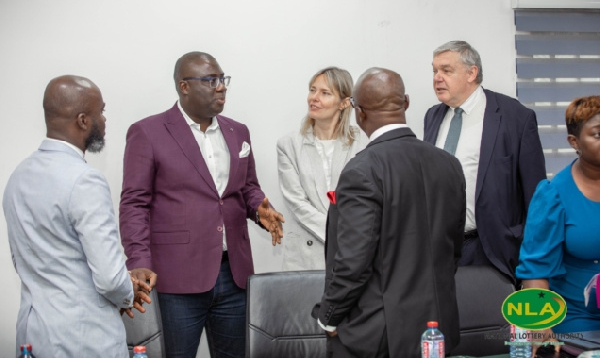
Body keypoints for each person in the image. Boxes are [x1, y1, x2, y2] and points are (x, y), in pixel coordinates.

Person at [119, 51, 285, 358]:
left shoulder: (238, 131)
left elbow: (246, 188)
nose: (221, 87)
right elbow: (134, 204)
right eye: (211, 80)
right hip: (177, 278)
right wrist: (138, 260)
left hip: (233, 275)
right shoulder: (148, 132)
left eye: (222, 80)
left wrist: (259, 207)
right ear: (184, 86)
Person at [314, 68, 466, 357]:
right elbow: (453, 250)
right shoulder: (449, 164)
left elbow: (352, 262)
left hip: (380, 334)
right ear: (405, 102)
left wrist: (329, 316)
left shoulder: (362, 170)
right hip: (438, 329)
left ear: (359, 113)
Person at [3, 75, 154, 358]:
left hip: (32, 335)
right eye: (102, 111)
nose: (105, 119)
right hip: (83, 339)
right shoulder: (85, 181)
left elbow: (23, 260)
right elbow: (109, 278)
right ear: (83, 121)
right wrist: (128, 290)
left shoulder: (18, 177)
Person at [423, 40, 546, 284]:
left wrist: (529, 256)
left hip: (492, 249)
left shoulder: (515, 117)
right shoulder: (433, 116)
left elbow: (536, 195)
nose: (437, 78)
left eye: (446, 71)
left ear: (472, 73)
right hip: (439, 248)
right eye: (434, 71)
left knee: (492, 320)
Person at [517, 96, 600, 339]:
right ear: (575, 141)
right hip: (578, 320)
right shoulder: (554, 195)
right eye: (598, 134)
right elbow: (535, 272)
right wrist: (541, 329)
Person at [277, 67, 367, 270]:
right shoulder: (288, 144)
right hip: (305, 256)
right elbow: (297, 203)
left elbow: (364, 198)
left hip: (352, 253)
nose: (314, 98)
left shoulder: (362, 142)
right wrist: (339, 233)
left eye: (325, 93)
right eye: (312, 90)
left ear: (344, 103)